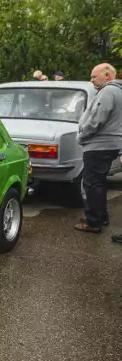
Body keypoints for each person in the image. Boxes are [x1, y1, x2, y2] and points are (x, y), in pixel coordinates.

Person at [74, 63, 122, 234]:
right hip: (109, 144)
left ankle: (93, 221)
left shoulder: (108, 91)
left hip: (99, 145)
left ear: (107, 76)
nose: (91, 79)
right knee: (99, 182)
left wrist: (82, 135)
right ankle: (100, 215)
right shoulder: (118, 91)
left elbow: (96, 120)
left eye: (94, 76)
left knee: (91, 183)